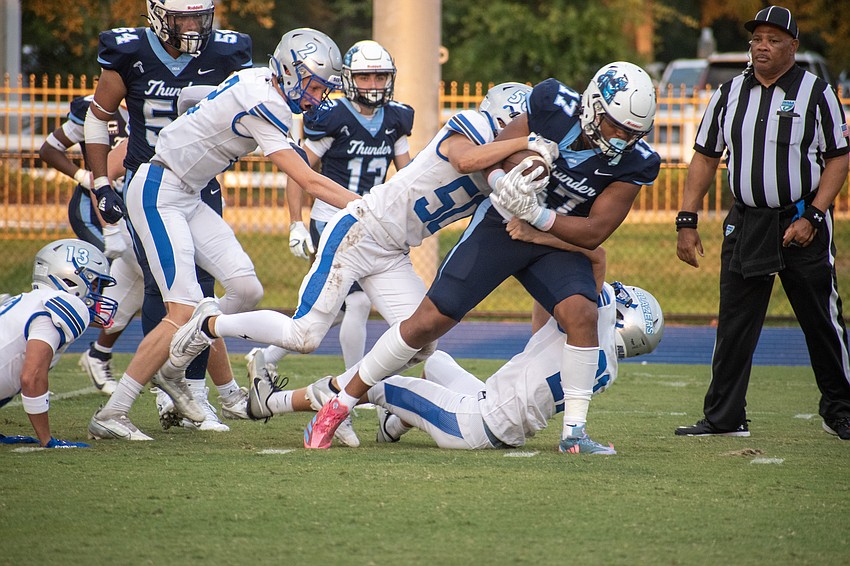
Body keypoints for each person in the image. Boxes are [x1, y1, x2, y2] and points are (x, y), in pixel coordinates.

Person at [300, 62, 660, 452]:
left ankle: (574, 433)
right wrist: (510, 180)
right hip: (501, 225)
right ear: (593, 107)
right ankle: (341, 401)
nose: (623, 140)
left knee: (582, 314)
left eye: (633, 133)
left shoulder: (637, 161)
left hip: (552, 237)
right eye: (617, 128)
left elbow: (595, 232)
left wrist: (538, 216)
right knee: (427, 323)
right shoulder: (553, 103)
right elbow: (498, 152)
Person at [167, 82, 559, 440]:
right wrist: (528, 140)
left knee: (421, 342)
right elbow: (465, 161)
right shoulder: (472, 124)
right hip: (360, 232)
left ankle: (333, 394)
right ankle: (211, 321)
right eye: (520, 131)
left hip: (393, 252)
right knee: (304, 336)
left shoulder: (503, 162)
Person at [86, 27, 358, 441]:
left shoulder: (253, 80)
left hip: (187, 193)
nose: (319, 95)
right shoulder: (267, 104)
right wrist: (366, 207)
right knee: (181, 309)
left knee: (245, 289)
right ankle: (114, 410)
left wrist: (192, 130)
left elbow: (192, 98)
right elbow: (308, 180)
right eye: (316, 84)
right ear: (290, 71)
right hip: (158, 191)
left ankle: (176, 365)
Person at [674, 6, 850, 440]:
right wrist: (686, 218)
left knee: (821, 322)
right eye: (756, 40)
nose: (762, 47)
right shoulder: (729, 92)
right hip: (747, 222)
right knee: (734, 321)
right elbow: (705, 155)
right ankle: (725, 417)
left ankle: (841, 410)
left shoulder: (817, 92)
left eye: (773, 39)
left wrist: (814, 214)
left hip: (799, 220)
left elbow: (839, 158)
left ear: (793, 46)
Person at [83, 0, 254, 432]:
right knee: (169, 294)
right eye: (184, 18)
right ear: (160, 15)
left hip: (199, 188)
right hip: (152, 185)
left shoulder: (227, 53)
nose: (195, 26)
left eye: (201, 16)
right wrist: (101, 182)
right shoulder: (129, 52)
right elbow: (99, 118)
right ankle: (161, 396)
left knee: (219, 288)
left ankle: (196, 389)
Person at [243, 281, 663, 452]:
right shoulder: (604, 364)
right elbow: (542, 329)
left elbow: (594, 260)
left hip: (472, 422)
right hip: (488, 405)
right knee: (437, 359)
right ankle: (395, 425)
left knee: (370, 378)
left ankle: (272, 402)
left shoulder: (597, 315)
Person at [255, 39, 414, 371]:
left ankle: (267, 357)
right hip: (332, 217)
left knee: (331, 307)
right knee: (356, 302)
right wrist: (296, 222)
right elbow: (300, 173)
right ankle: (355, 385)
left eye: (380, 77)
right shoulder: (333, 116)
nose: (374, 85)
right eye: (366, 78)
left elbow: (408, 178)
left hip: (371, 222)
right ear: (349, 79)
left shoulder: (396, 118)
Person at [39, 96, 142, 397]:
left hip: (136, 210)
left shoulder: (152, 102)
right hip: (96, 209)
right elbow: (48, 149)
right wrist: (85, 176)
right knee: (98, 285)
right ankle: (46, 341)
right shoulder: (93, 108)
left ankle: (98, 353)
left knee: (136, 283)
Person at [0, 239, 118, 448]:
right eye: (94, 284)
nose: (97, 294)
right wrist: (47, 440)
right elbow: (31, 377)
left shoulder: (25, 300)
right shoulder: (64, 304)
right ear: (71, 278)